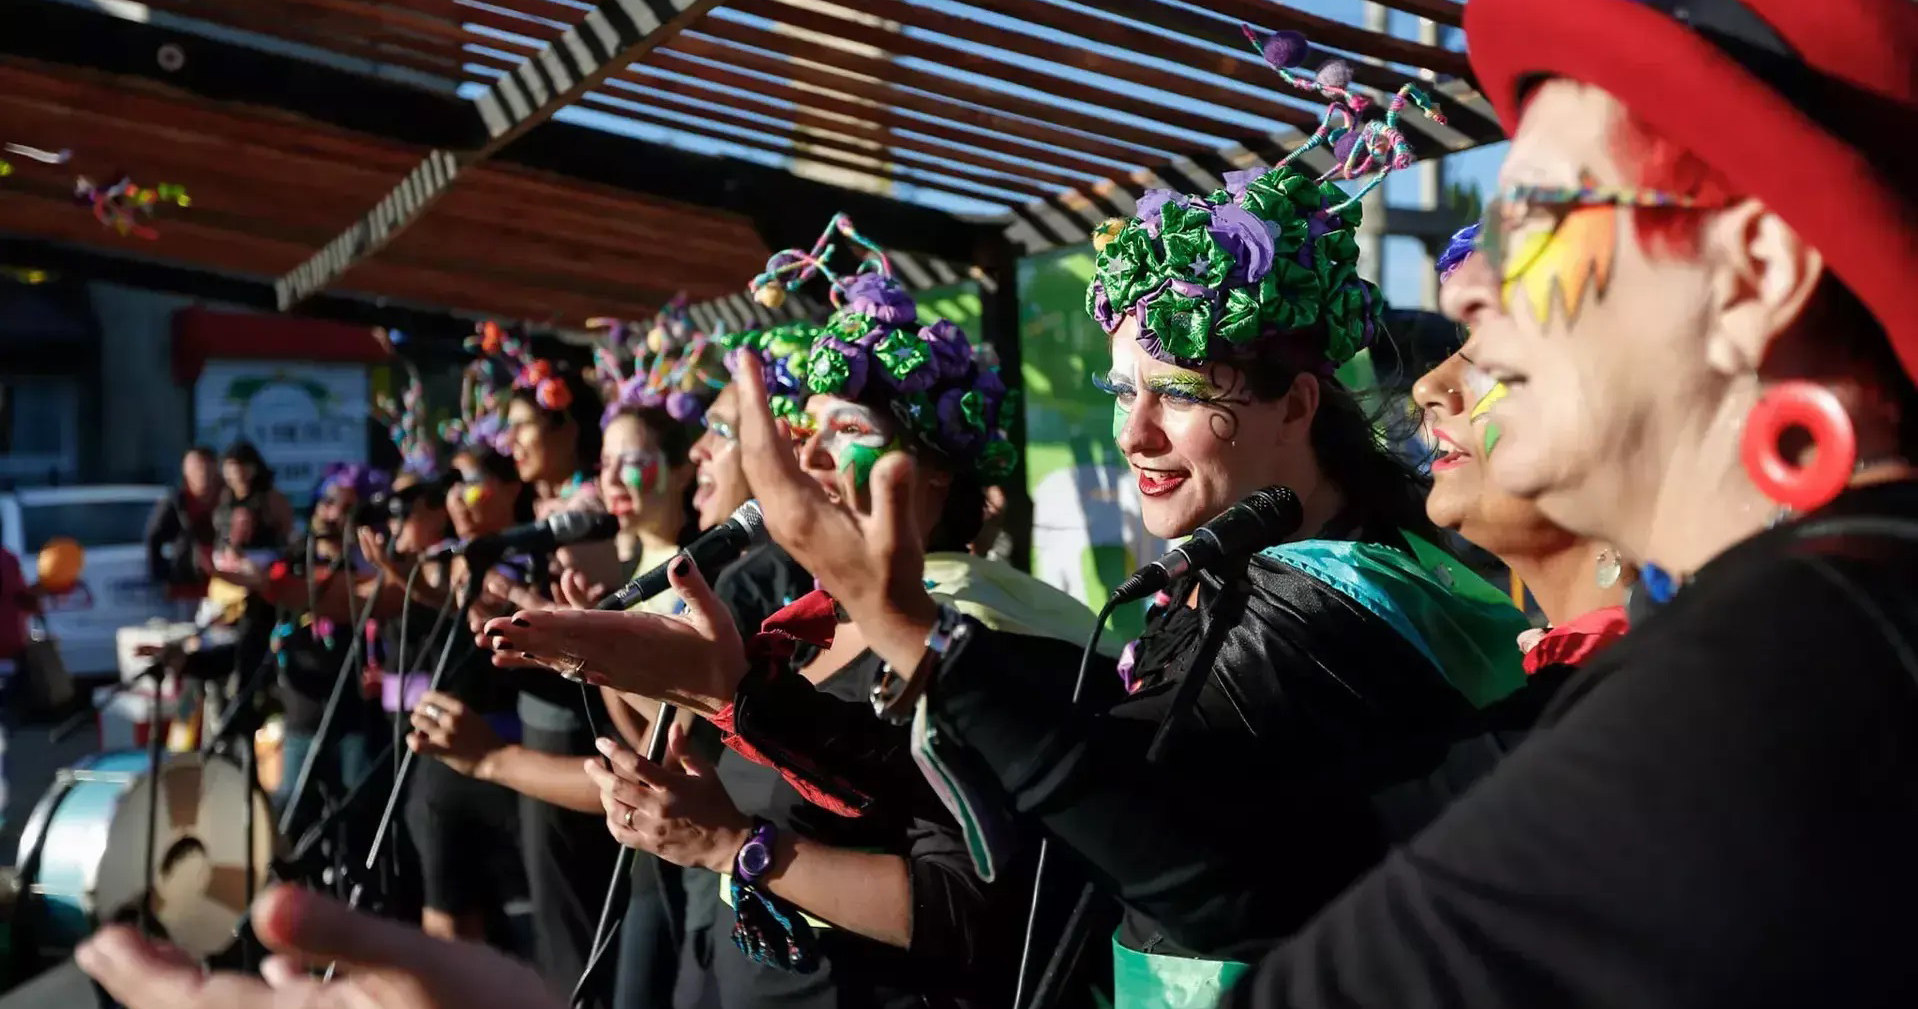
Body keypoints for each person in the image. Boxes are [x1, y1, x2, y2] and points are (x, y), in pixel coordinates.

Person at [486, 240, 1098, 1009]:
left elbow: (972, 905)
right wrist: (650, 684)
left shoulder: (977, 630)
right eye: (800, 432)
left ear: (937, 464)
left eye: (841, 427)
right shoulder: (811, 625)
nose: (804, 457)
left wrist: (731, 844)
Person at [145, 445, 220, 601]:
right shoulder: (175, 503)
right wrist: (163, 574)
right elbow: (153, 538)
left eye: (206, 467)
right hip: (185, 584)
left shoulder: (226, 500)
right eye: (196, 468)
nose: (202, 473)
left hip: (225, 582)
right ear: (186, 471)